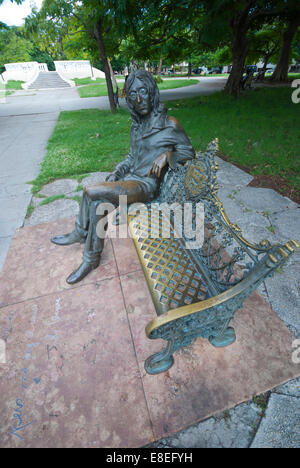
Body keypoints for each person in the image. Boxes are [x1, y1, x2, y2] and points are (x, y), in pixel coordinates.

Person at [51, 69, 195, 284]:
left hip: (145, 187)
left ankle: (81, 233)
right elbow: (131, 157)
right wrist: (117, 171)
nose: (139, 99)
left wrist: (168, 155)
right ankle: (91, 258)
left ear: (152, 92)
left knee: (91, 191)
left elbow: (190, 152)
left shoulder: (169, 124)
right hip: (129, 182)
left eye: (144, 92)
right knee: (98, 202)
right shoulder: (136, 127)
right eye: (133, 94)